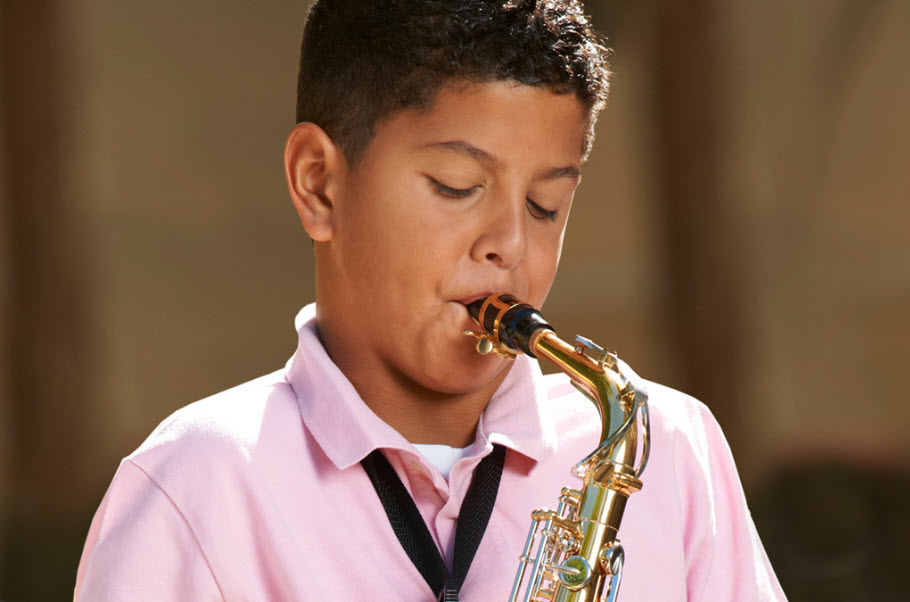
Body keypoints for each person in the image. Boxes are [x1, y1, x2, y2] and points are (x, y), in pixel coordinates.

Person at [74, 1, 786, 600]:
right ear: (319, 183)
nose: (509, 243)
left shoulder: (674, 450)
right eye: (455, 186)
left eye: (547, 204)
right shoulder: (196, 484)